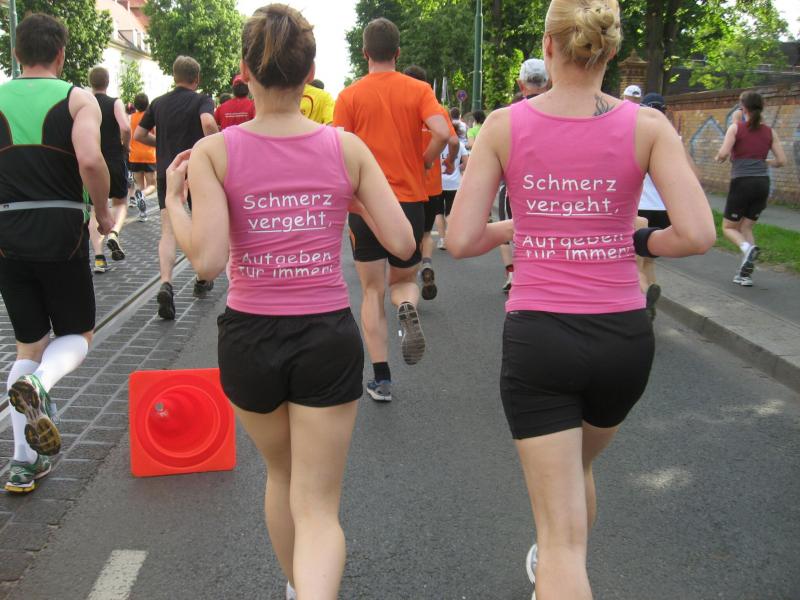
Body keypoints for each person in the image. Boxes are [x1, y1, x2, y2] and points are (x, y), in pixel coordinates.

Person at [445, 1, 716, 598]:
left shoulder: (504, 125)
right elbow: (698, 234)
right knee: (579, 470)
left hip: (541, 337)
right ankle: (557, 561)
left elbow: (460, 239)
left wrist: (521, 227)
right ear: (611, 50)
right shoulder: (648, 125)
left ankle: (557, 568)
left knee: (561, 544)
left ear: (547, 46)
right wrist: (639, 238)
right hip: (623, 338)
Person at [164, 6, 415, 598]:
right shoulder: (345, 147)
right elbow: (404, 243)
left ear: (245, 70)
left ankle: (298, 586)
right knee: (319, 506)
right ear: (310, 72)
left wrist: (174, 201)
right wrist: (353, 201)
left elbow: (208, 263)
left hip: (250, 337)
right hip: (325, 334)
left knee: (281, 475)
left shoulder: (215, 153)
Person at [0, 13, 114, 493]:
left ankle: (22, 465)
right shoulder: (77, 98)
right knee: (77, 334)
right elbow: (89, 159)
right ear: (61, 53)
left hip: (7, 230)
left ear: (16, 53)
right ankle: (42, 384)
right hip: (62, 228)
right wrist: (103, 213)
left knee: (28, 342)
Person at [333, 18, 452, 402]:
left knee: (371, 291)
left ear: (365, 53)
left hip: (366, 203)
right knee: (402, 282)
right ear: (397, 53)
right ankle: (406, 306)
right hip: (409, 203)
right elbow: (443, 132)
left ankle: (382, 379)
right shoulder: (418, 90)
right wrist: (425, 160)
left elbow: (339, 149)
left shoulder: (349, 96)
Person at [133, 55, 219, 319]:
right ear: (197, 78)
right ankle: (202, 278)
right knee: (200, 225)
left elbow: (139, 135)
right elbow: (208, 123)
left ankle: (166, 283)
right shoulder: (202, 100)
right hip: (196, 171)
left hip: (167, 172)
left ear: (174, 76)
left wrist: (159, 144)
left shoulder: (158, 103)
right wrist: (216, 147)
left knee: (167, 231)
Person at [715, 91, 786, 287]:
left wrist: (718, 157)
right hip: (762, 184)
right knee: (746, 227)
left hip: (742, 183)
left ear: (743, 107)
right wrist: (765, 162)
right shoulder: (770, 132)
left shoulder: (736, 128)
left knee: (728, 228)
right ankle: (744, 275)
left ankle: (747, 249)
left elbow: (723, 154)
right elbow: (782, 161)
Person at [402, 64, 458, 301]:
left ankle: (406, 287)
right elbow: (453, 141)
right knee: (425, 234)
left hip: (406, 185)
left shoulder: (401, 108)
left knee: (406, 237)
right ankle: (426, 264)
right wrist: (450, 162)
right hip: (432, 186)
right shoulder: (436, 110)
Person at [88, 67, 131, 273]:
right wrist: (125, 146)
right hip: (113, 159)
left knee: (95, 208)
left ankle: (98, 257)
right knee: (120, 201)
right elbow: (125, 127)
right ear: (108, 82)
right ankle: (114, 233)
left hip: (92, 160)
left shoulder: (84, 102)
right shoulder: (115, 102)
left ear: (91, 82)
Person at [636, 92, 672, 318]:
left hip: (640, 208)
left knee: (635, 265)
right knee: (649, 261)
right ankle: (649, 296)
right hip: (663, 210)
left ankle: (643, 301)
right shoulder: (672, 137)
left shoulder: (637, 135)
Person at [128, 92, 156, 222]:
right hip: (149, 155)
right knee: (152, 185)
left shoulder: (130, 118)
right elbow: (155, 134)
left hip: (134, 155)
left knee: (139, 184)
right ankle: (143, 194)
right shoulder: (150, 117)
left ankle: (142, 213)